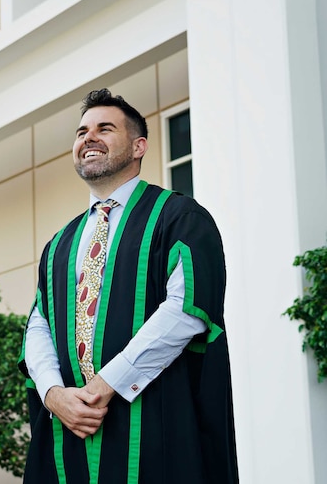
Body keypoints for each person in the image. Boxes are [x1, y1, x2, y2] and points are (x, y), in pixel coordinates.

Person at [19, 89, 238, 483]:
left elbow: (187, 309)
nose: (89, 137)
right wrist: (54, 395)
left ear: (139, 146)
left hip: (154, 414)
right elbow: (39, 325)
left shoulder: (179, 217)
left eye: (105, 128)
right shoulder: (61, 243)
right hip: (71, 423)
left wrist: (107, 383)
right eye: (82, 130)